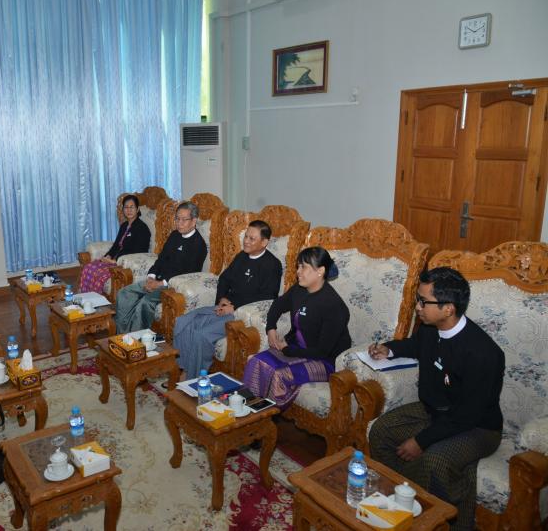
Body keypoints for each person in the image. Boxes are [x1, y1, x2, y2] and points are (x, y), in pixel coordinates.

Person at [368, 267, 504, 531]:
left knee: (435, 460)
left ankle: (439, 521)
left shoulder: (483, 353)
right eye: (418, 299)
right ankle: (398, 500)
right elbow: (416, 345)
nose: (417, 307)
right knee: (382, 430)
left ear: (448, 308)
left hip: (477, 427)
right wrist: (389, 349)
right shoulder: (431, 328)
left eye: (423, 301)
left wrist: (421, 440)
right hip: (436, 411)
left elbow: (467, 415)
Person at [242, 246, 350, 410]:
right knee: (255, 361)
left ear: (320, 271)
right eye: (298, 266)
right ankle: (247, 412)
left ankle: (265, 416)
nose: (298, 271)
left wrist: (287, 350)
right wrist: (271, 329)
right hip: (296, 349)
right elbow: (277, 305)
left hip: (324, 362)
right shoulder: (299, 290)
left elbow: (322, 351)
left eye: (303, 267)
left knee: (279, 375)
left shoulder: (334, 306)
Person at [174, 220, 282, 379]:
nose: (246, 241)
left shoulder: (272, 265)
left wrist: (234, 307)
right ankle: (184, 368)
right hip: (225, 306)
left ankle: (193, 378)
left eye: (252, 238)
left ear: (264, 242)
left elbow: (267, 296)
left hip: (241, 315)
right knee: (184, 321)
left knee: (201, 335)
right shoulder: (242, 256)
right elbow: (224, 278)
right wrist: (222, 298)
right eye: (246, 236)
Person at [115, 201, 207, 334]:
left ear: (194, 221)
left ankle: (135, 340)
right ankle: (122, 336)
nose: (179, 223)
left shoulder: (198, 245)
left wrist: (160, 283)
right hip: (156, 280)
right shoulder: (174, 235)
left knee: (145, 302)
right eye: (177, 219)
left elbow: (186, 273)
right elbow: (161, 258)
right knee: (124, 293)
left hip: (173, 287)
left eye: (184, 220)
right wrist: (151, 277)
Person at [78, 194, 151, 294]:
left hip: (126, 264)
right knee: (88, 267)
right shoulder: (124, 225)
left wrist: (115, 261)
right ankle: (86, 297)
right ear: (123, 209)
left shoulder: (142, 228)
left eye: (132, 207)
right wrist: (108, 256)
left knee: (100, 275)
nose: (129, 210)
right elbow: (116, 245)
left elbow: (139, 251)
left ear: (137, 209)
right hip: (114, 260)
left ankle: (97, 300)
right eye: (126, 207)